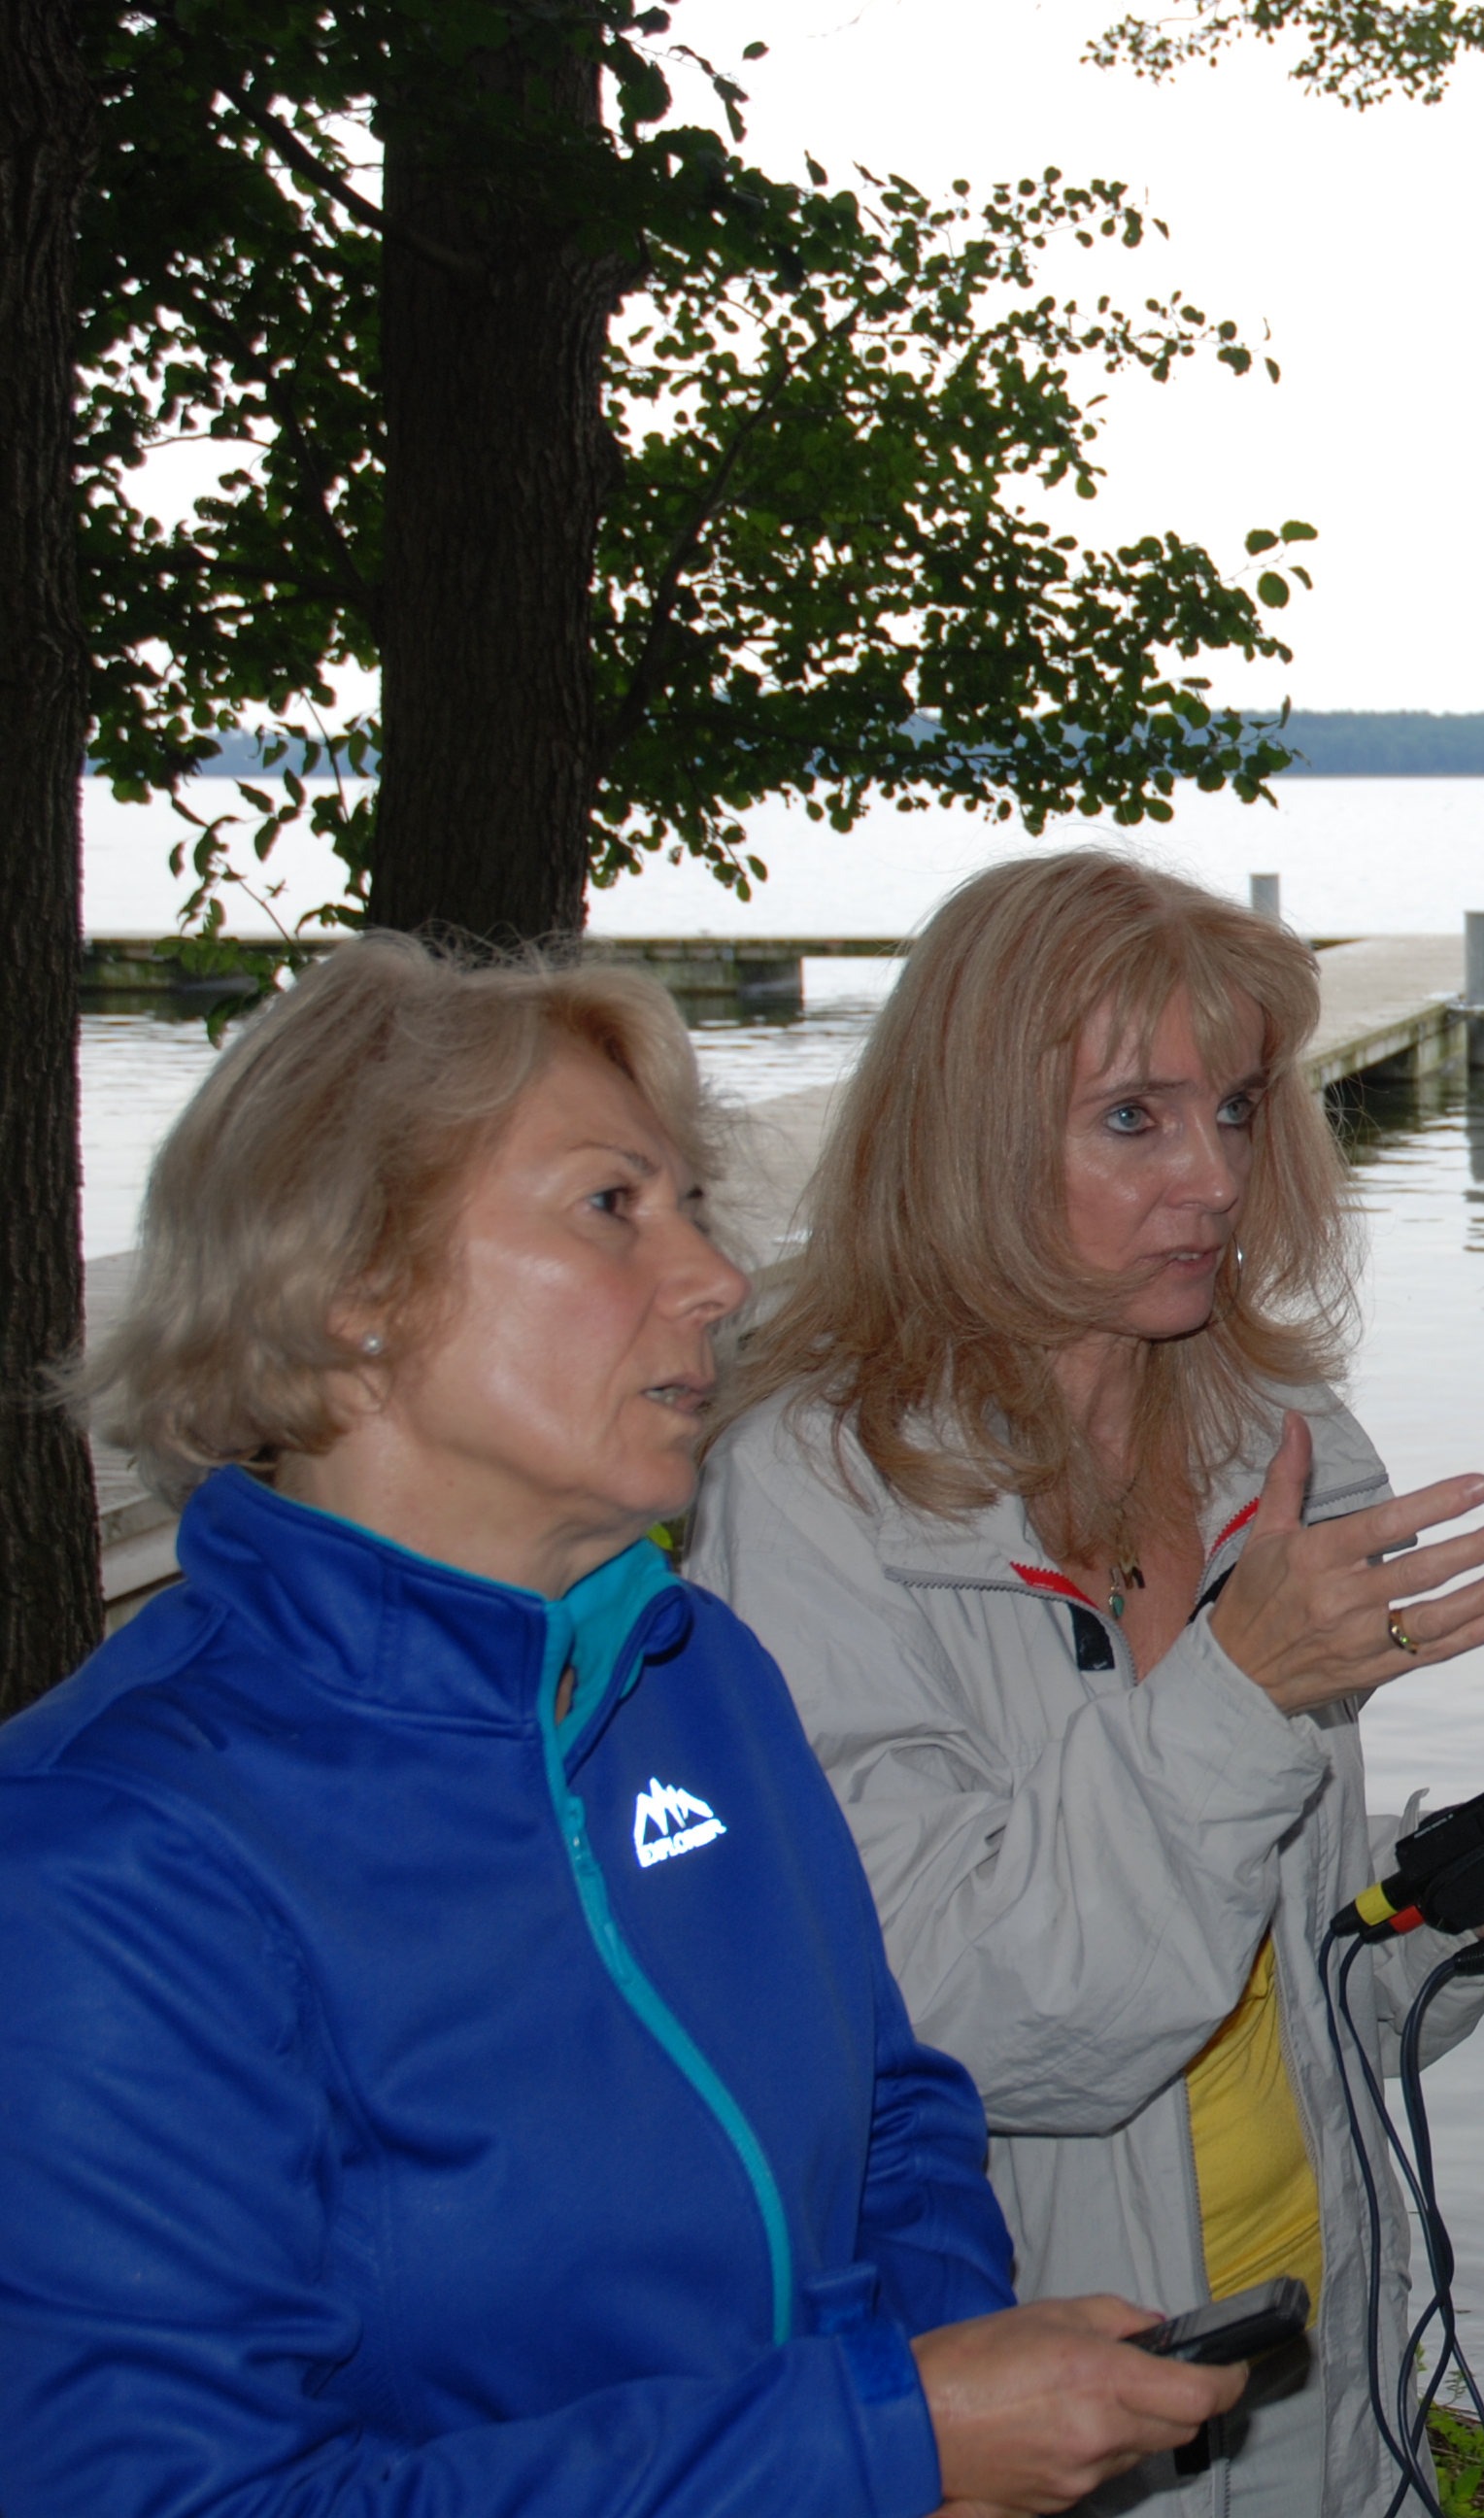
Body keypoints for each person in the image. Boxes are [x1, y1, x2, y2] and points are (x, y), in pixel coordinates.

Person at [0, 936, 1236, 2518]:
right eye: (611, 1208)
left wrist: (955, 2384)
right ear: (346, 1291)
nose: (716, 1278)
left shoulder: (691, 1670)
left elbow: (893, 2114)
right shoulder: (107, 1852)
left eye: (695, 1207)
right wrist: (879, 2439)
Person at [691, 851, 1484, 2518]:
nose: (1213, 1177)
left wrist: (1456, 1908)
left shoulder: (1272, 1450)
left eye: (1241, 1108)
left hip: (1310, 2359)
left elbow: (1259, 1963)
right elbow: (966, 2029)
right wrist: (1244, 1685)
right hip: (1022, 2391)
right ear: (972, 1139)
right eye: (1134, 1118)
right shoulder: (805, 1495)